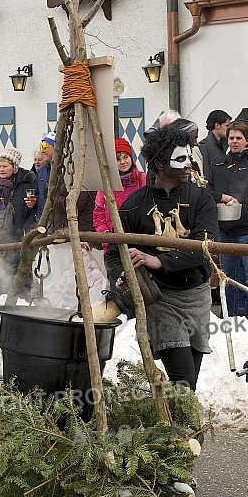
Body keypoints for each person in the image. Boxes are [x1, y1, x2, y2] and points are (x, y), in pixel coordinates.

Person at [105, 125, 218, 391]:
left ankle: (182, 429)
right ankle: (185, 430)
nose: (189, 164)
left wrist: (159, 260)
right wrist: (122, 273)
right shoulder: (134, 205)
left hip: (196, 297)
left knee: (188, 383)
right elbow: (114, 252)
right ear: (159, 163)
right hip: (160, 299)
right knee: (183, 381)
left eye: (189, 156)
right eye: (181, 159)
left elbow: (207, 245)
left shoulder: (201, 199)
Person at [0, 147, 36, 297]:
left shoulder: (27, 186)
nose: (1, 170)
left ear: (14, 167)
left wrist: (28, 231)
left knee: (20, 282)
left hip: (17, 242)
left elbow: (33, 213)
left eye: (5, 166)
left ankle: (22, 312)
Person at [207, 120, 248, 317]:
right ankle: (230, 321)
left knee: (247, 279)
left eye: (239, 138)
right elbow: (210, 191)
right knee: (228, 279)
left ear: (246, 141)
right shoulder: (219, 166)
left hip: (246, 230)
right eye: (231, 137)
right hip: (225, 230)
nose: (234, 141)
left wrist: (240, 200)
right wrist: (222, 199)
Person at [93, 138, 146, 252]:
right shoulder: (106, 184)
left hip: (138, 244)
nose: (123, 162)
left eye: (126, 157)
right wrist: (106, 236)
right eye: (118, 159)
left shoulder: (142, 180)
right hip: (113, 246)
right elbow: (98, 213)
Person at [48, 242, 107, 309]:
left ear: (89, 256)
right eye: (79, 255)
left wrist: (76, 306)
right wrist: (48, 303)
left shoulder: (95, 273)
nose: (82, 258)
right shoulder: (68, 273)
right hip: (68, 307)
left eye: (85, 255)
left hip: (89, 307)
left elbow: (93, 295)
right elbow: (58, 290)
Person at [198, 110, 231, 182]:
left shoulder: (227, 144)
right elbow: (205, 174)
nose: (229, 129)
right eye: (227, 126)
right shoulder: (204, 146)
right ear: (217, 125)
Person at [35, 131, 55, 222]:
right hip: (42, 220)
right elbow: (37, 194)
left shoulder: (65, 170)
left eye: (45, 147)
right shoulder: (42, 170)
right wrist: (32, 203)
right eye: (41, 147)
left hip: (58, 221)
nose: (42, 150)